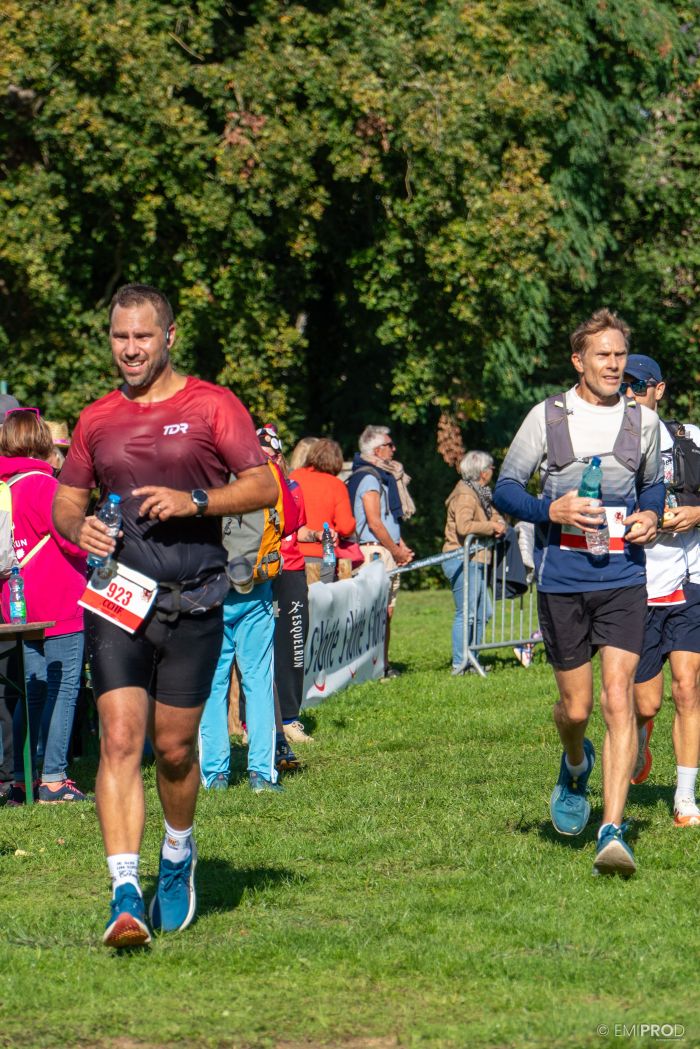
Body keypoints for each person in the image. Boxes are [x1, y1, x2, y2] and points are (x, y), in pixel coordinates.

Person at [53, 283, 277, 948]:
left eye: (142, 337)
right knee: (121, 738)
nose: (129, 350)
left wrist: (195, 500)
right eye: (120, 337)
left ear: (169, 337)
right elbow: (69, 501)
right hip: (119, 597)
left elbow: (262, 485)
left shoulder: (212, 405)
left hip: (195, 597)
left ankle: (177, 852)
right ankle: (125, 891)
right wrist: (81, 528)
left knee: (176, 751)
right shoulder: (96, 419)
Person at [493, 308, 664, 876]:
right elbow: (506, 490)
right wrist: (551, 508)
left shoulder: (644, 422)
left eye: (620, 355)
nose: (614, 364)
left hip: (623, 577)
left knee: (619, 699)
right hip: (563, 579)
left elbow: (654, 486)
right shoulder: (546, 417)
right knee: (577, 708)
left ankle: (612, 830)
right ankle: (574, 763)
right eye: (603, 355)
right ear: (579, 360)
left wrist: (649, 515)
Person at [621, 355, 700, 827]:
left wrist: (698, 514)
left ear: (659, 389)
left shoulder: (691, 437)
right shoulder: (611, 446)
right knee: (647, 701)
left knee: (689, 688)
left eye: (638, 385)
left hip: (692, 580)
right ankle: (640, 734)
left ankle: (685, 800)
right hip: (639, 582)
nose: (630, 394)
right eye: (623, 387)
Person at [0, 409, 89, 805]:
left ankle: (21, 777)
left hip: (18, 601)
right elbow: (73, 541)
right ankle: (53, 778)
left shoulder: (6, 487)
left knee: (32, 690)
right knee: (65, 686)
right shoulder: (46, 486)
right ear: (40, 440)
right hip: (59, 594)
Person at [257, 426, 314, 749]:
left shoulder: (293, 486)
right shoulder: (245, 485)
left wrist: (318, 536)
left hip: (290, 569)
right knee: (257, 649)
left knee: (293, 641)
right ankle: (255, 721)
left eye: (274, 455)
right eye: (263, 456)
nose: (270, 461)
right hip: (260, 572)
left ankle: (290, 718)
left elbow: (295, 525)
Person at [346, 426, 415, 678]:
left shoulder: (377, 477)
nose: (394, 449)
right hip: (375, 553)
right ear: (377, 450)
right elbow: (374, 522)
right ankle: (374, 667)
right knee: (376, 613)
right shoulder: (370, 478)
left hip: (382, 549)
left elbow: (385, 521)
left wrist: (401, 544)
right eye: (390, 444)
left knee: (385, 612)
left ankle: (381, 665)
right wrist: (395, 551)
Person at [441, 451, 506, 674]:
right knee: (466, 613)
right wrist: (492, 527)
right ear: (482, 472)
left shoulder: (480, 493)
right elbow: (464, 526)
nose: (492, 472)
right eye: (491, 468)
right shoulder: (466, 495)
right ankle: (460, 663)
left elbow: (494, 515)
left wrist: (498, 522)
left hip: (475, 559)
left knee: (483, 613)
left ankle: (472, 658)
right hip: (461, 558)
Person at [291, 438, 356, 583]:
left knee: (295, 603)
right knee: (320, 602)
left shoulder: (294, 477)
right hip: (323, 554)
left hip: (292, 554)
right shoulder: (337, 485)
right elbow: (345, 527)